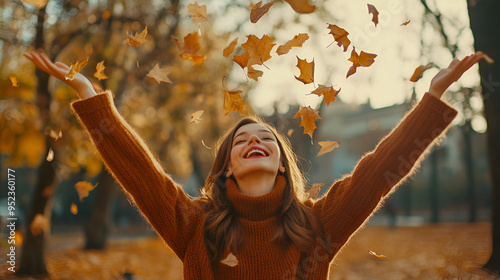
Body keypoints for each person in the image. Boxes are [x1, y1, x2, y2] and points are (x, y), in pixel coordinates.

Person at [24, 50, 483, 279]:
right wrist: (90, 96)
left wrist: (432, 101)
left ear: (283, 165)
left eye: (266, 138)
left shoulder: (317, 223)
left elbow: (381, 170)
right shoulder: (195, 226)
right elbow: (140, 175)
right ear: (227, 170)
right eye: (241, 140)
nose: (256, 140)